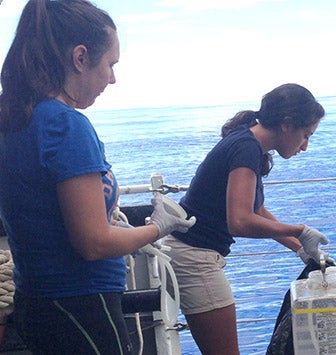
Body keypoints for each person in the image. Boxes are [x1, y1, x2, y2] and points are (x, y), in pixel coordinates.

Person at [0, 1, 196, 353]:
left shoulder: (14, 120)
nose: (112, 77)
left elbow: (42, 214)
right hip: (80, 307)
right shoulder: (65, 125)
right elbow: (92, 244)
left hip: (38, 302)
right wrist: (158, 227)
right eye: (110, 64)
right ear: (80, 58)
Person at [162, 83, 331, 354]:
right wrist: (300, 230)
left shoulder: (249, 143)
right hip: (194, 259)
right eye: (305, 135)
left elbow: (257, 211)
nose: (305, 146)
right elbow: (239, 221)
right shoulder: (246, 149)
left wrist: (301, 249)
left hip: (189, 253)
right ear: (287, 124)